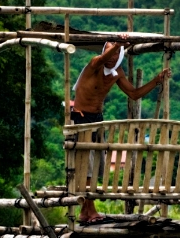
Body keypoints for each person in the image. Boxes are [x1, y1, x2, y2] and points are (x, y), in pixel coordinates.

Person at [71, 38, 170, 224]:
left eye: (116, 53)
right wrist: (116, 44)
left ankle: (85, 213)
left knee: (97, 167)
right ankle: (91, 211)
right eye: (109, 51)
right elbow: (101, 59)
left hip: (97, 121)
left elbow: (133, 94)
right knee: (87, 167)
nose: (111, 57)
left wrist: (156, 81)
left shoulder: (117, 72)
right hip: (81, 119)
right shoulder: (94, 64)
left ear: (121, 56)